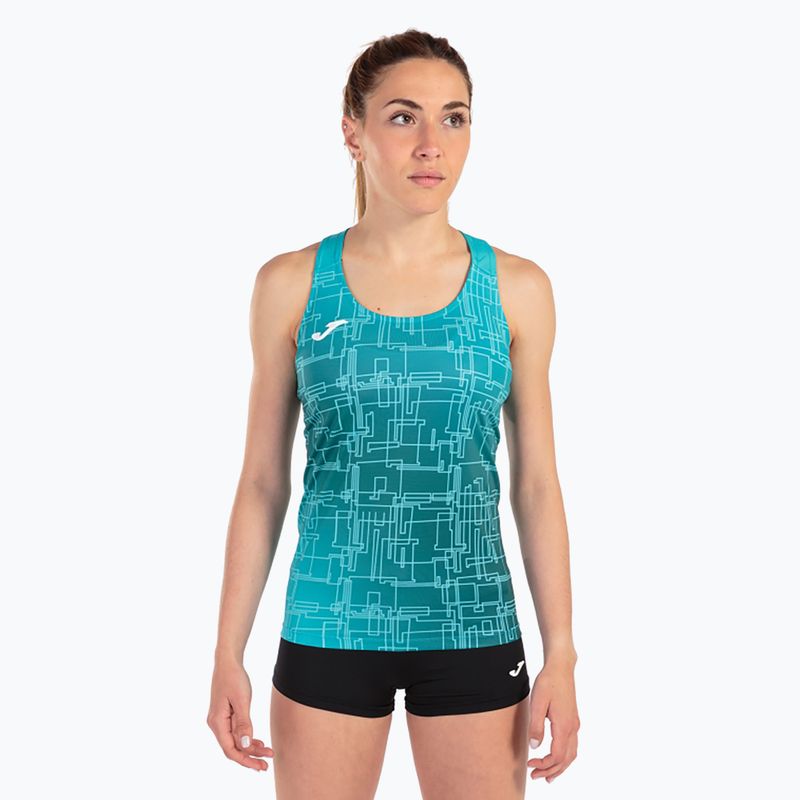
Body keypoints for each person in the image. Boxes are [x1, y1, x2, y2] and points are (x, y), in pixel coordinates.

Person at [207, 28, 580, 799]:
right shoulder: (291, 285)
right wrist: (226, 651)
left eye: (454, 118)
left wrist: (563, 653)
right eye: (404, 117)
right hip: (330, 620)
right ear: (354, 134)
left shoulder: (517, 289)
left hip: (472, 623)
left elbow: (537, 484)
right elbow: (263, 483)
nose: (431, 144)